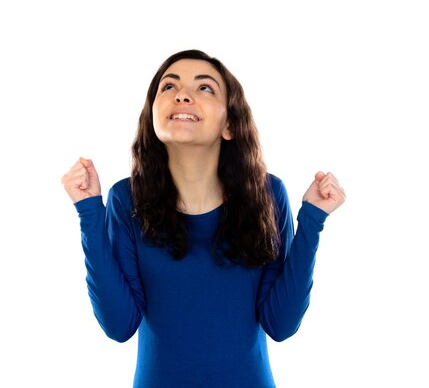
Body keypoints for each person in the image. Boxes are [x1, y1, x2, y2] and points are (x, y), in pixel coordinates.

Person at [61, 49, 346, 388]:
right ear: (153, 115)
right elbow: (119, 325)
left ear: (229, 124)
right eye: (168, 87)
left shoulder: (268, 194)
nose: (182, 94)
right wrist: (90, 211)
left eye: (205, 88)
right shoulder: (126, 199)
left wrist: (312, 222)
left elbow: (281, 324)